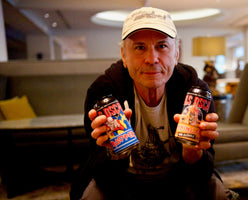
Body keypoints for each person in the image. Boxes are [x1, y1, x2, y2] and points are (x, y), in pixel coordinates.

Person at [70, 7, 234, 200]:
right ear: (124, 55)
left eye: (162, 46)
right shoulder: (103, 92)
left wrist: (192, 153)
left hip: (179, 179)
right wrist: (114, 155)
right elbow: (103, 177)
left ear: (176, 54)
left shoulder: (195, 92)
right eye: (140, 47)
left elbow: (202, 174)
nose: (152, 59)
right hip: (122, 181)